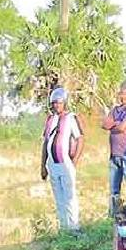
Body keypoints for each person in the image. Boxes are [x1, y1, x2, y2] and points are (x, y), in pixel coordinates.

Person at [40, 86, 84, 231]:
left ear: (64, 102)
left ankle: (74, 227)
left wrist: (75, 160)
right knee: (59, 199)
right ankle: (64, 228)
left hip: (66, 164)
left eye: (59, 102)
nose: (56, 105)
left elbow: (80, 138)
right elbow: (45, 142)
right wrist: (43, 166)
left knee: (69, 197)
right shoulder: (50, 119)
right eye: (54, 103)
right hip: (52, 165)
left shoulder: (71, 118)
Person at [101, 84, 126, 219]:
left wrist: (114, 125)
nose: (122, 96)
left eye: (125, 93)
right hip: (114, 154)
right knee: (114, 189)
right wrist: (116, 126)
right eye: (121, 93)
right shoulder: (115, 109)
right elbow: (104, 124)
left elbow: (123, 126)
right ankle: (113, 216)